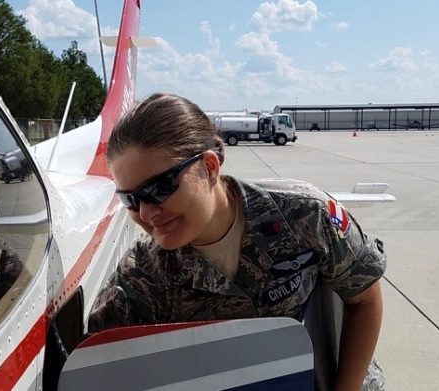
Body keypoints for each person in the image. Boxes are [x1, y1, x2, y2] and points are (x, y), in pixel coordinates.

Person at [87, 93, 387, 390]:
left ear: (209, 167)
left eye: (159, 188)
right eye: (131, 199)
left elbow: (364, 298)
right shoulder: (142, 274)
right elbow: (100, 364)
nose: (147, 212)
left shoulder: (303, 215)